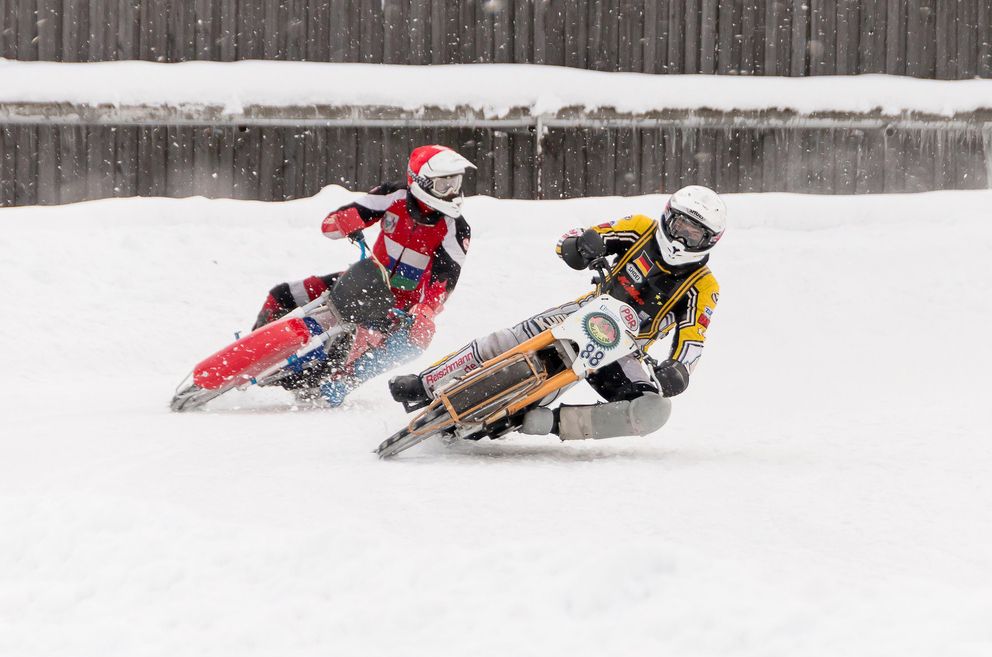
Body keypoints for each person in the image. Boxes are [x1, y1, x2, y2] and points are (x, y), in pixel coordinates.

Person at [389, 185, 725, 441]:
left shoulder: (703, 286)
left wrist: (677, 370)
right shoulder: (638, 228)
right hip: (586, 311)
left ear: (709, 240)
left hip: (626, 350)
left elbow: (694, 339)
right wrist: (581, 246)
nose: (682, 236)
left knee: (654, 411)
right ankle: (426, 383)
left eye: (694, 233)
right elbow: (574, 238)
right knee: (505, 340)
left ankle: (547, 422)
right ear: (668, 216)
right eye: (680, 224)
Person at [253, 144, 476, 406]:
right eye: (443, 185)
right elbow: (332, 225)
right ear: (419, 182)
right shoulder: (393, 195)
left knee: (418, 337)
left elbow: (445, 279)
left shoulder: (456, 228)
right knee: (284, 293)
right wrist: (343, 221)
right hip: (364, 282)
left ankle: (343, 381)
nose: (452, 193)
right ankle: (251, 348)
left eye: (455, 183)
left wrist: (425, 311)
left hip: (401, 306)